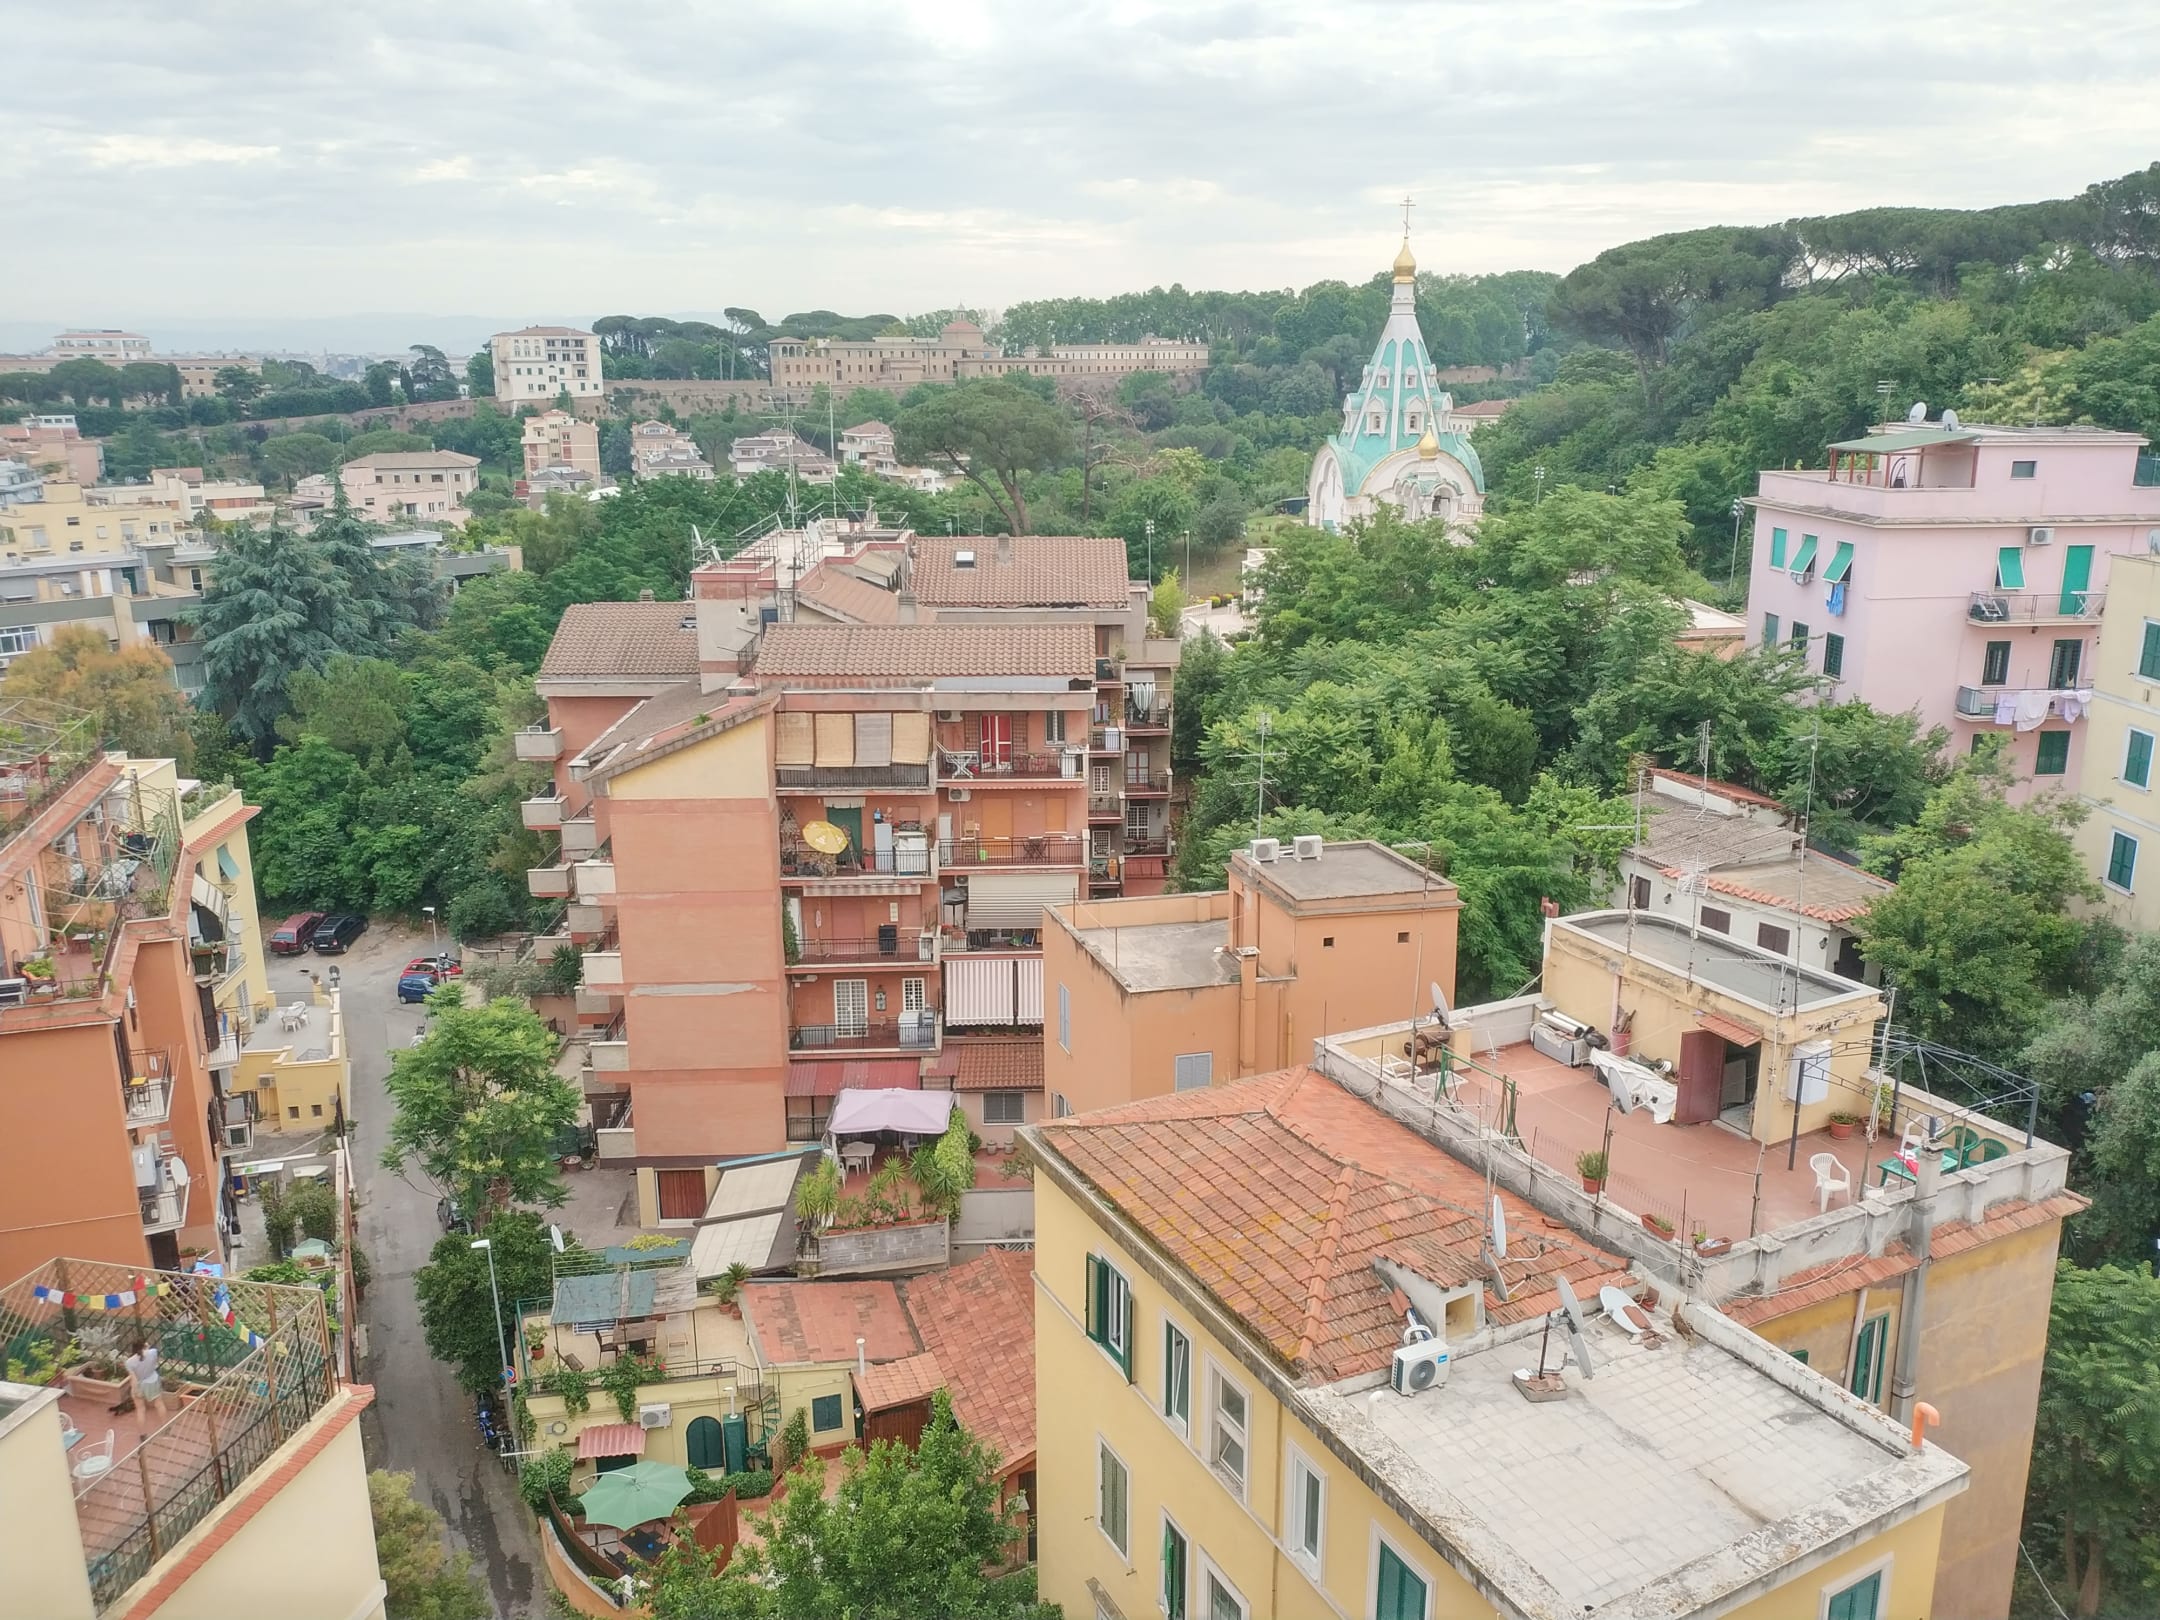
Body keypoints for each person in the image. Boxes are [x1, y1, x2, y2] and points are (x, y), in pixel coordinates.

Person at [123, 1336, 168, 1419]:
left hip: (140, 1384)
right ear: (145, 1344)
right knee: (159, 1404)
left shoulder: (129, 1362)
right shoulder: (153, 1352)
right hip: (153, 1381)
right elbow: (154, 1362)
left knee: (140, 1409)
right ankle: (166, 1425)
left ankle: (142, 1428)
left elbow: (134, 1378)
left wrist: (135, 1390)